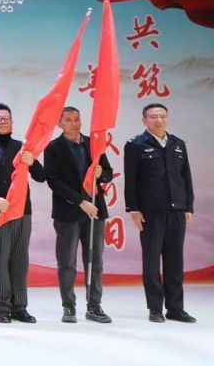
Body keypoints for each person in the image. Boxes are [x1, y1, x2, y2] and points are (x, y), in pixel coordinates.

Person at [0, 103, 45, 324]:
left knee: (20, 259)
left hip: (22, 211)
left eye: (6, 118)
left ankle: (20, 307)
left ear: (12, 122)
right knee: (0, 259)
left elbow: (41, 176)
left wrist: (32, 162)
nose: (3, 122)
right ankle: (3, 308)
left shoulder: (23, 148)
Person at [124, 103, 196, 323]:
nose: (158, 120)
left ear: (167, 118)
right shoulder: (136, 145)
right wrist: (134, 208)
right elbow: (131, 180)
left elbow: (186, 178)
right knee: (151, 262)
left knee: (175, 262)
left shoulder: (178, 144)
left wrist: (188, 206)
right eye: (153, 116)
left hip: (177, 211)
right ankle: (155, 308)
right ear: (144, 120)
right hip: (150, 212)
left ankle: (175, 308)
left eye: (162, 116)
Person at [43, 106, 113, 324]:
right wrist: (80, 202)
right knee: (67, 261)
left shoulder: (94, 144)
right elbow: (54, 181)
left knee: (95, 261)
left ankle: (94, 305)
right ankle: (69, 306)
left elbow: (108, 172)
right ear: (59, 124)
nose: (74, 123)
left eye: (77, 119)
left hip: (95, 210)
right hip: (68, 212)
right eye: (68, 120)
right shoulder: (53, 148)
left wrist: (102, 173)